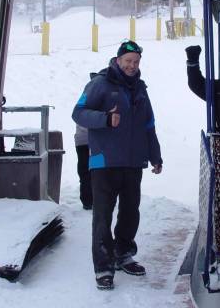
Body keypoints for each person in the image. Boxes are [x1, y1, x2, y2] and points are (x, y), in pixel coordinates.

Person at [72, 40, 162, 291]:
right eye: (128, 61)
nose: (132, 66)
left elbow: (148, 125)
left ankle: (123, 254)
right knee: (102, 216)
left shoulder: (141, 89)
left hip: (133, 162)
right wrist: (105, 119)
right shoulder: (100, 84)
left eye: (135, 62)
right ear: (118, 60)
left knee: (130, 212)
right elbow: (78, 112)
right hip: (104, 162)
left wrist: (156, 155)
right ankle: (103, 266)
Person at [74, 123, 92, 210]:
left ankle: (87, 200)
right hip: (95, 140)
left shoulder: (80, 109)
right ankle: (92, 199)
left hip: (82, 140)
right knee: (98, 170)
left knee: (84, 170)